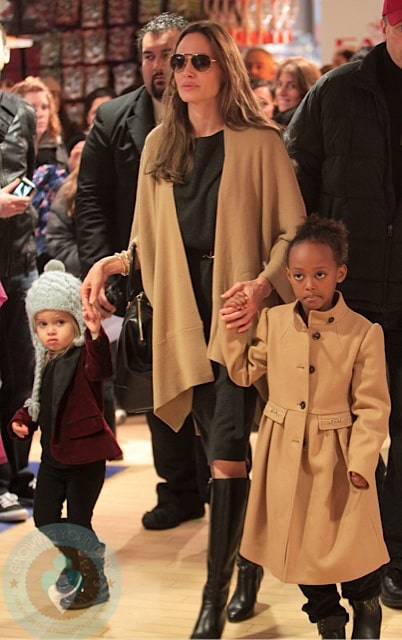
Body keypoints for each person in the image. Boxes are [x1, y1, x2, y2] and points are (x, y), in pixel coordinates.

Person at [80, 19, 306, 639]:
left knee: (229, 457)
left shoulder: (260, 142)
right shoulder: (159, 144)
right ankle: (249, 566)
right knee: (217, 453)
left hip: (237, 318)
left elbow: (294, 231)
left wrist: (263, 286)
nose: (185, 71)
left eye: (199, 61)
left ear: (224, 68)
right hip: (182, 318)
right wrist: (111, 262)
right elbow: (144, 241)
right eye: (179, 61)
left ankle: (214, 597)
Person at [219, 216, 390, 639]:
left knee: (348, 542)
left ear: (339, 274)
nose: (308, 285)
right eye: (298, 276)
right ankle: (327, 619)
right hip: (284, 454)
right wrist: (235, 325)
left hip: (339, 456)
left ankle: (366, 604)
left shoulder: (363, 333)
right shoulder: (274, 321)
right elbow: (243, 372)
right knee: (297, 545)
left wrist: (362, 462)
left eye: (319, 274)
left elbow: (372, 406)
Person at [286, 0, 402, 611]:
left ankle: (396, 555)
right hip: (346, 301)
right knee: (346, 436)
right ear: (385, 26)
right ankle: (361, 551)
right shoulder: (337, 91)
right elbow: (295, 174)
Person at [75, 12, 209, 531]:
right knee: (157, 385)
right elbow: (91, 202)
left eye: (169, 54)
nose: (159, 66)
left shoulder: (213, 117)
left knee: (212, 377)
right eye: (150, 55)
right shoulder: (113, 118)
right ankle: (178, 490)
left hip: (203, 270)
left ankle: (218, 480)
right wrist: (107, 273)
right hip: (141, 275)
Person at [10, 259, 122, 609]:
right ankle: (79, 561)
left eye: (60, 322)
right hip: (54, 459)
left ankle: (92, 583)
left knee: (77, 521)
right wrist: (24, 419)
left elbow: (101, 368)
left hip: (86, 458)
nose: (51, 331)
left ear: (76, 319)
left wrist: (94, 334)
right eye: (42, 324)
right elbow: (39, 401)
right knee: (44, 518)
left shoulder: (83, 357)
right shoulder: (43, 363)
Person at [0, 23, 38, 519]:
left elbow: (25, 174)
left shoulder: (21, 111)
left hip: (18, 261)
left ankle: (18, 472)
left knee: (23, 375)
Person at [11, 76, 69, 272]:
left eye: (45, 107)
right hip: (16, 247)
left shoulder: (57, 149)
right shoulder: (7, 151)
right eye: (33, 107)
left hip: (52, 245)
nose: (41, 113)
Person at [273, 56, 321, 129]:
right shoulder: (277, 120)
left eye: (292, 86)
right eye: (279, 84)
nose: (282, 93)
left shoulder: (305, 127)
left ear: (307, 90)